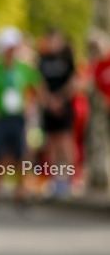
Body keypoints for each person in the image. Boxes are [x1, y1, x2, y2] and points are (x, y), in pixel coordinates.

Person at [0, 27, 41, 209]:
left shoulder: (24, 68)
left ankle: (21, 194)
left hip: (18, 118)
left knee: (21, 156)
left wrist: (30, 105)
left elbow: (37, 88)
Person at [37, 28, 77, 196]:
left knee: (65, 142)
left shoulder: (67, 59)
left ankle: (67, 180)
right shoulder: (43, 60)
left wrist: (60, 99)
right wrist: (48, 101)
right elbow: (39, 82)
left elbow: (74, 81)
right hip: (48, 107)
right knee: (51, 143)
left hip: (64, 106)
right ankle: (54, 180)